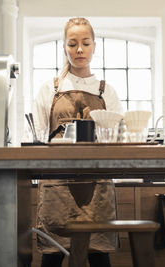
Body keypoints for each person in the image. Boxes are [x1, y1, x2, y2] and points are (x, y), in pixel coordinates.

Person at [33, 17, 123, 267]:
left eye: (85, 43)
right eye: (72, 44)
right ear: (65, 48)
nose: (79, 49)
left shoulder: (106, 91)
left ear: (94, 46)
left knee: (98, 253)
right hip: (57, 182)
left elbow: (115, 139)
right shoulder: (49, 89)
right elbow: (39, 137)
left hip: (96, 181)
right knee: (52, 253)